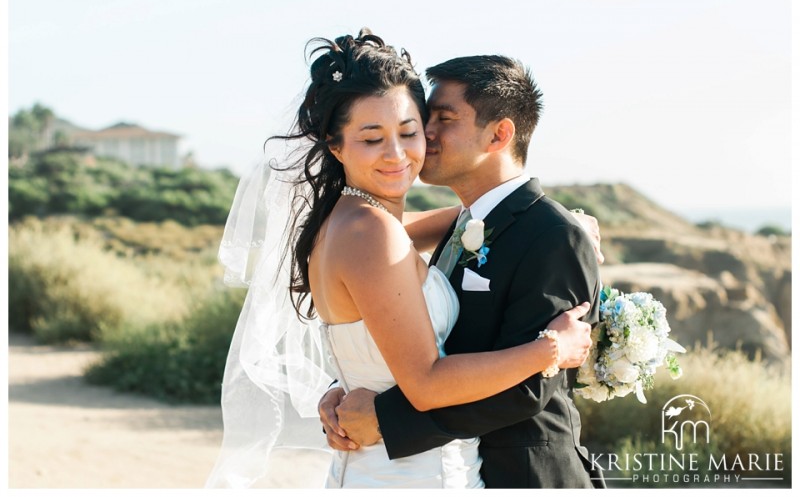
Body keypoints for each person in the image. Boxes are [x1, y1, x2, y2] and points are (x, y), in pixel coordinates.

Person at [206, 29, 598, 489]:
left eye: (413, 129)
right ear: (336, 146)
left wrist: (553, 220)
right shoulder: (370, 232)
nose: (405, 150)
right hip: (415, 474)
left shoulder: (360, 224)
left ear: (499, 134)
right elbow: (427, 380)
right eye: (372, 139)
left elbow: (468, 222)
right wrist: (550, 350)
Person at [319, 53, 606, 488]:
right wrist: (350, 381)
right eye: (425, 117)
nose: (424, 133)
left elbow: (529, 389)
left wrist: (385, 418)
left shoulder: (554, 237)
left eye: (443, 119)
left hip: (524, 477)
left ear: (499, 134)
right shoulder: (442, 225)